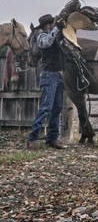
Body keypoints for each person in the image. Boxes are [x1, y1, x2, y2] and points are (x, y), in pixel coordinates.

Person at [27, 14, 66, 149]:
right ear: (47, 25)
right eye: (52, 24)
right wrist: (56, 29)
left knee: (57, 108)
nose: (53, 26)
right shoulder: (42, 36)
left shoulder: (55, 36)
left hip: (58, 75)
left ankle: (52, 138)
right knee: (46, 108)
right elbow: (46, 43)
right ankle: (32, 138)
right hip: (49, 75)